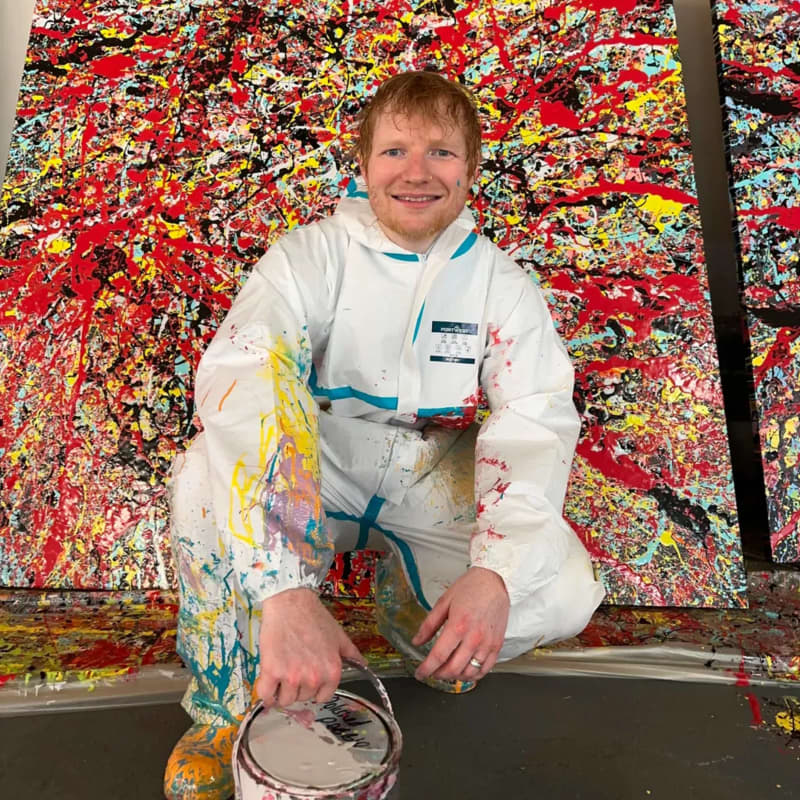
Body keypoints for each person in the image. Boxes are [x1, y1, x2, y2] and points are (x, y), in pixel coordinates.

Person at [163, 70, 605, 799]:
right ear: (363, 164)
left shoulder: (502, 284)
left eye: (442, 153)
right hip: (320, 460)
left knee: (558, 590)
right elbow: (247, 385)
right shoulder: (309, 257)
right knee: (198, 485)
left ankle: (410, 608)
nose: (417, 172)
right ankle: (223, 705)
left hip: (434, 472)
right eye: (395, 150)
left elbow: (534, 419)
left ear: (470, 169)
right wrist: (285, 590)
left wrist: (494, 575)